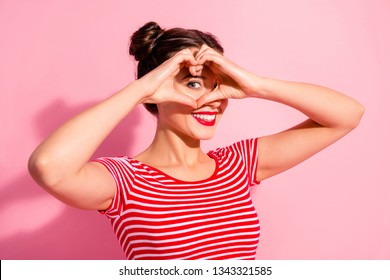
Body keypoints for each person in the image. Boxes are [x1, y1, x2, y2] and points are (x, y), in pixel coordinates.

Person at [28, 21, 364, 260]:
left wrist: (257, 85)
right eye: (192, 84)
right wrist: (141, 88)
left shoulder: (238, 164)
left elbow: (347, 115)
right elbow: (49, 167)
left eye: (218, 83)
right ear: (157, 91)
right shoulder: (124, 181)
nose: (213, 98)